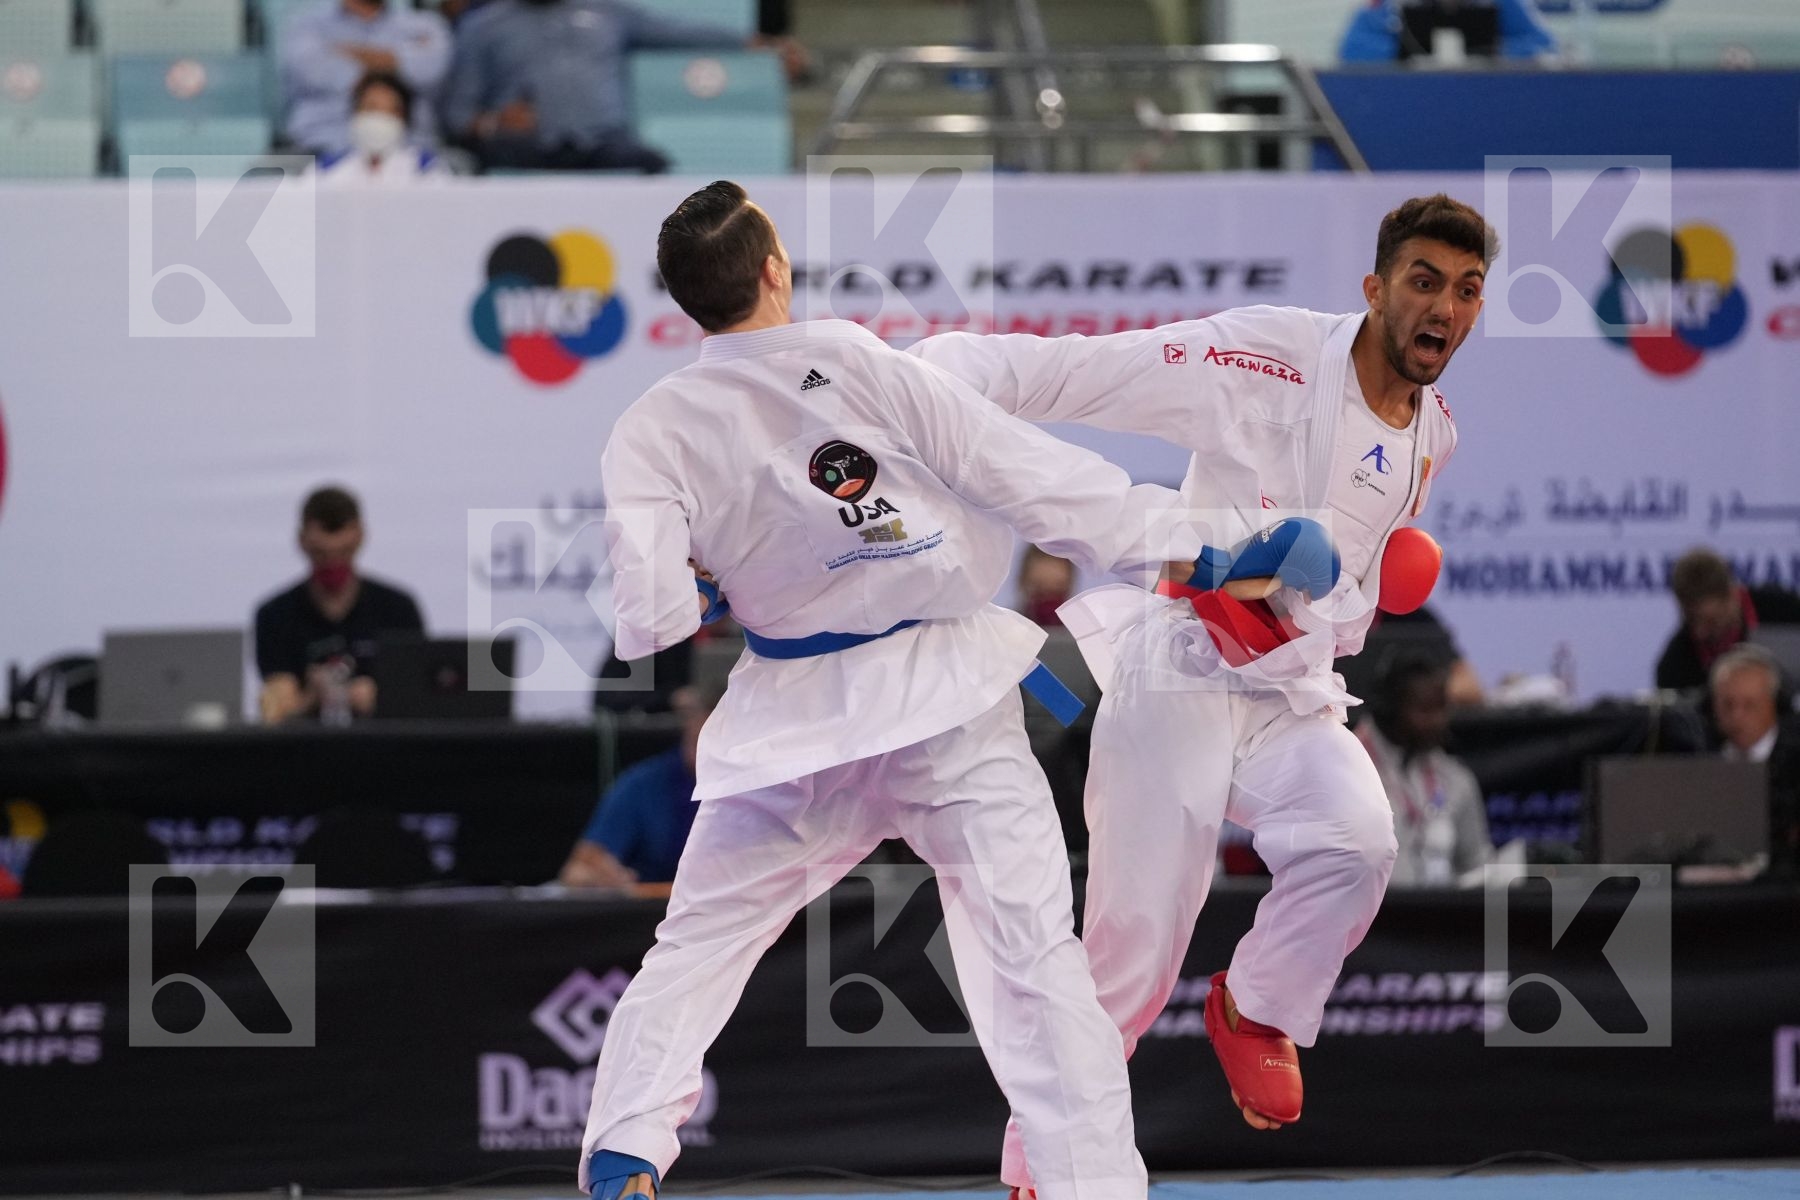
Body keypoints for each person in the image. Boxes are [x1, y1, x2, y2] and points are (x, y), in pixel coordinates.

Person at [578, 181, 1204, 1200]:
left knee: (697, 943)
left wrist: (702, 581)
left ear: (689, 303)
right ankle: (1093, 1187)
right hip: (948, 703)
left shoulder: (652, 427)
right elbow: (1029, 475)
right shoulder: (863, 360)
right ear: (774, 269)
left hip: (794, 727)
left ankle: (624, 1159)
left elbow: (647, 625)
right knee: (1032, 960)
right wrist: (1193, 552)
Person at [913, 193, 1488, 1182]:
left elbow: (1342, 614)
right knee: (1131, 958)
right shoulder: (1265, 359)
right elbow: (1081, 375)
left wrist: (1351, 602)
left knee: (1357, 838)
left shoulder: (1433, 433)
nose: (1444, 306)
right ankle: (1040, 1166)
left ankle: (1256, 1006)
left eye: (1467, 290)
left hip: (1288, 694)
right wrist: (927, 380)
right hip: (1177, 668)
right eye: (1424, 281)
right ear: (1376, 287)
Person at [440, 0, 795, 173]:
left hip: (601, 143)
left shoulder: (607, 13)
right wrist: (493, 123)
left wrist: (754, 44)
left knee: (653, 164)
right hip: (523, 146)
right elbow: (455, 116)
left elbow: (676, 33)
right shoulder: (482, 27)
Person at [254, 486, 425, 724]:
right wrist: (311, 698)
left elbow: (419, 696)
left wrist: (380, 696)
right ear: (303, 541)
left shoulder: (397, 609)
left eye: (343, 552)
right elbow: (275, 710)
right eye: (321, 554)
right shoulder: (276, 615)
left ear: (359, 536)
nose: (332, 564)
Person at [562, 684, 716, 888]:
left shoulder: (761, 787)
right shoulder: (643, 784)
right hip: (657, 910)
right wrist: (608, 877)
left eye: (715, 738)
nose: (701, 747)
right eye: (696, 737)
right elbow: (578, 871)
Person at [1356, 655, 1491, 886]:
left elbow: (1478, 867)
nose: (1438, 721)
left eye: (1442, 708)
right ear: (1389, 710)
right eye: (1425, 710)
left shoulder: (1455, 779)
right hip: (1368, 917)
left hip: (1438, 916)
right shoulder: (1347, 771)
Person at [280, 0, 453, 156]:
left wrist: (347, 52)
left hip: (414, 155)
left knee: (456, 166)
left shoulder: (426, 25)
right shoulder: (307, 26)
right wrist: (396, 63)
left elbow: (430, 70)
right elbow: (313, 71)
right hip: (320, 149)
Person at [1655, 547, 1800, 693]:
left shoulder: (1787, 613)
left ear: (1733, 596)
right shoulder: (1674, 667)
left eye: (1711, 621)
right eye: (1691, 620)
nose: (1700, 632)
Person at [1709, 646, 1800, 874]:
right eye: (1728, 704)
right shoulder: (1699, 756)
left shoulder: (1795, 763)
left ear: (1773, 704)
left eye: (1749, 705)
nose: (1737, 716)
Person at [316, 71, 453, 185]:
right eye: (371, 108)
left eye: (390, 111)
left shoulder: (426, 169)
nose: (379, 117)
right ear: (354, 113)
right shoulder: (328, 168)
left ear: (405, 119)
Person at [1339, 0, 1556, 63]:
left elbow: (1544, 43)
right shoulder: (1387, 7)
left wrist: (1493, 53)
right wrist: (1406, 54)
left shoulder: (1504, 4)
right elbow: (1351, 50)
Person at [1015, 544, 1075, 628]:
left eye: (1057, 590)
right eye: (1039, 589)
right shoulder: (1008, 629)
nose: (1049, 599)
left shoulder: (1084, 631)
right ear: (1022, 583)